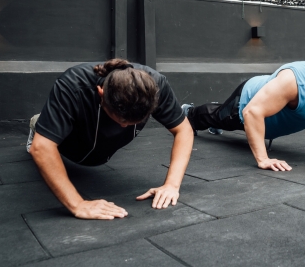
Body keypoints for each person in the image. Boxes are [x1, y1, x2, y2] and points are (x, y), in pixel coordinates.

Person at [27, 59, 194, 220]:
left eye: (132, 122)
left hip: (102, 148)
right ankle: (39, 123)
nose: (124, 126)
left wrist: (172, 185)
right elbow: (41, 148)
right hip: (73, 137)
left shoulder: (157, 86)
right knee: (51, 135)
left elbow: (184, 130)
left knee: (102, 148)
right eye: (122, 120)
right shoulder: (72, 84)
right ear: (101, 93)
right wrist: (77, 204)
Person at [183, 51, 305, 172]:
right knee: (218, 117)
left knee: (226, 118)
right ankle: (189, 113)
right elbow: (252, 113)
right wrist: (263, 159)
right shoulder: (296, 83)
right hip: (247, 102)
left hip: (267, 109)